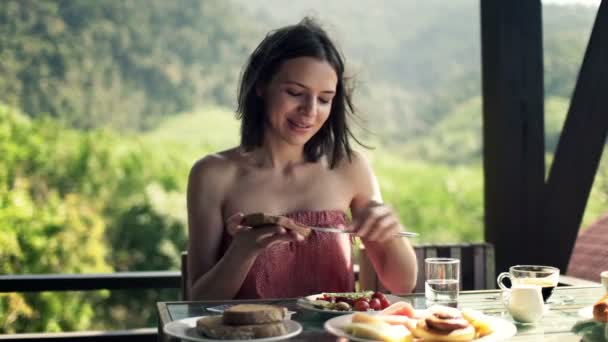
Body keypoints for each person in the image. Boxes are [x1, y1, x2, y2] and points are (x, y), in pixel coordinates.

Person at [187, 17, 417, 300]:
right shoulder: (213, 174)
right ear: (261, 85)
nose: (309, 111)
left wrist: (389, 231)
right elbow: (197, 303)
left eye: (324, 99)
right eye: (295, 93)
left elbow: (403, 284)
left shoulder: (348, 167)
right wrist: (242, 253)